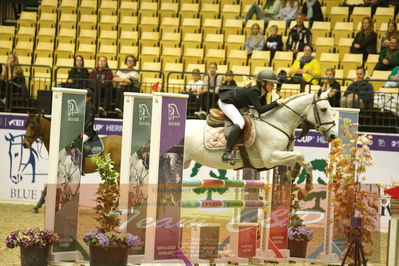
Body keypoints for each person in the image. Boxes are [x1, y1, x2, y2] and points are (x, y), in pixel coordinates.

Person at [218, 69, 285, 162]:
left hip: (236, 103)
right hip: (226, 102)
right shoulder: (254, 91)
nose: (273, 86)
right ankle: (226, 153)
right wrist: (276, 103)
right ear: (263, 83)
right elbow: (261, 110)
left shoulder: (263, 93)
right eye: (271, 83)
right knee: (240, 122)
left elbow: (263, 111)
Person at [83, 89, 97, 156]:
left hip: (87, 133)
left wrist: (82, 129)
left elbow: (89, 121)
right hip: (82, 132)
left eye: (85, 96)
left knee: (76, 145)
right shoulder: (83, 106)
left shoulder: (90, 107)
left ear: (89, 98)